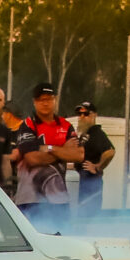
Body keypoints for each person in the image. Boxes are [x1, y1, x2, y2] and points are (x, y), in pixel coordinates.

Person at [11, 83, 81, 229]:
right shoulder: (28, 125)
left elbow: (78, 155)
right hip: (30, 198)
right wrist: (62, 151)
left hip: (59, 198)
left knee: (62, 239)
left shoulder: (66, 126)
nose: (45, 103)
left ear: (55, 100)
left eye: (48, 99)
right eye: (40, 99)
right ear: (34, 102)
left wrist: (47, 148)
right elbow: (32, 159)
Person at [72, 101, 115, 214]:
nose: (82, 117)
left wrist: (98, 167)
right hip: (82, 181)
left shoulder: (96, 132)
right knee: (81, 215)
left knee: (88, 217)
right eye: (79, 114)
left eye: (86, 114)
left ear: (94, 115)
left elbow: (110, 151)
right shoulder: (85, 134)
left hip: (91, 183)